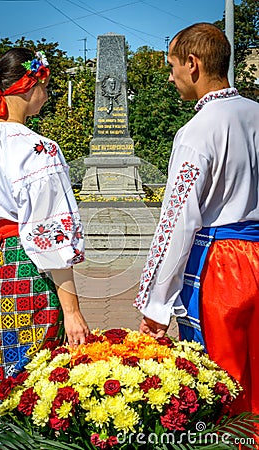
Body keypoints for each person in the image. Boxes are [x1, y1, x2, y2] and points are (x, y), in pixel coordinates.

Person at [134, 23, 259, 416]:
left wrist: (156, 305)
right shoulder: (256, 114)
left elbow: (177, 222)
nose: (170, 77)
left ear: (193, 64)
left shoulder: (197, 130)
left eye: (172, 67)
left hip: (223, 268)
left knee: (223, 382)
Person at [0, 48, 90, 422]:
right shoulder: (37, 147)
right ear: (31, 85)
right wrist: (73, 311)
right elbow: (50, 234)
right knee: (35, 377)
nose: (45, 97)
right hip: (24, 270)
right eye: (45, 88)